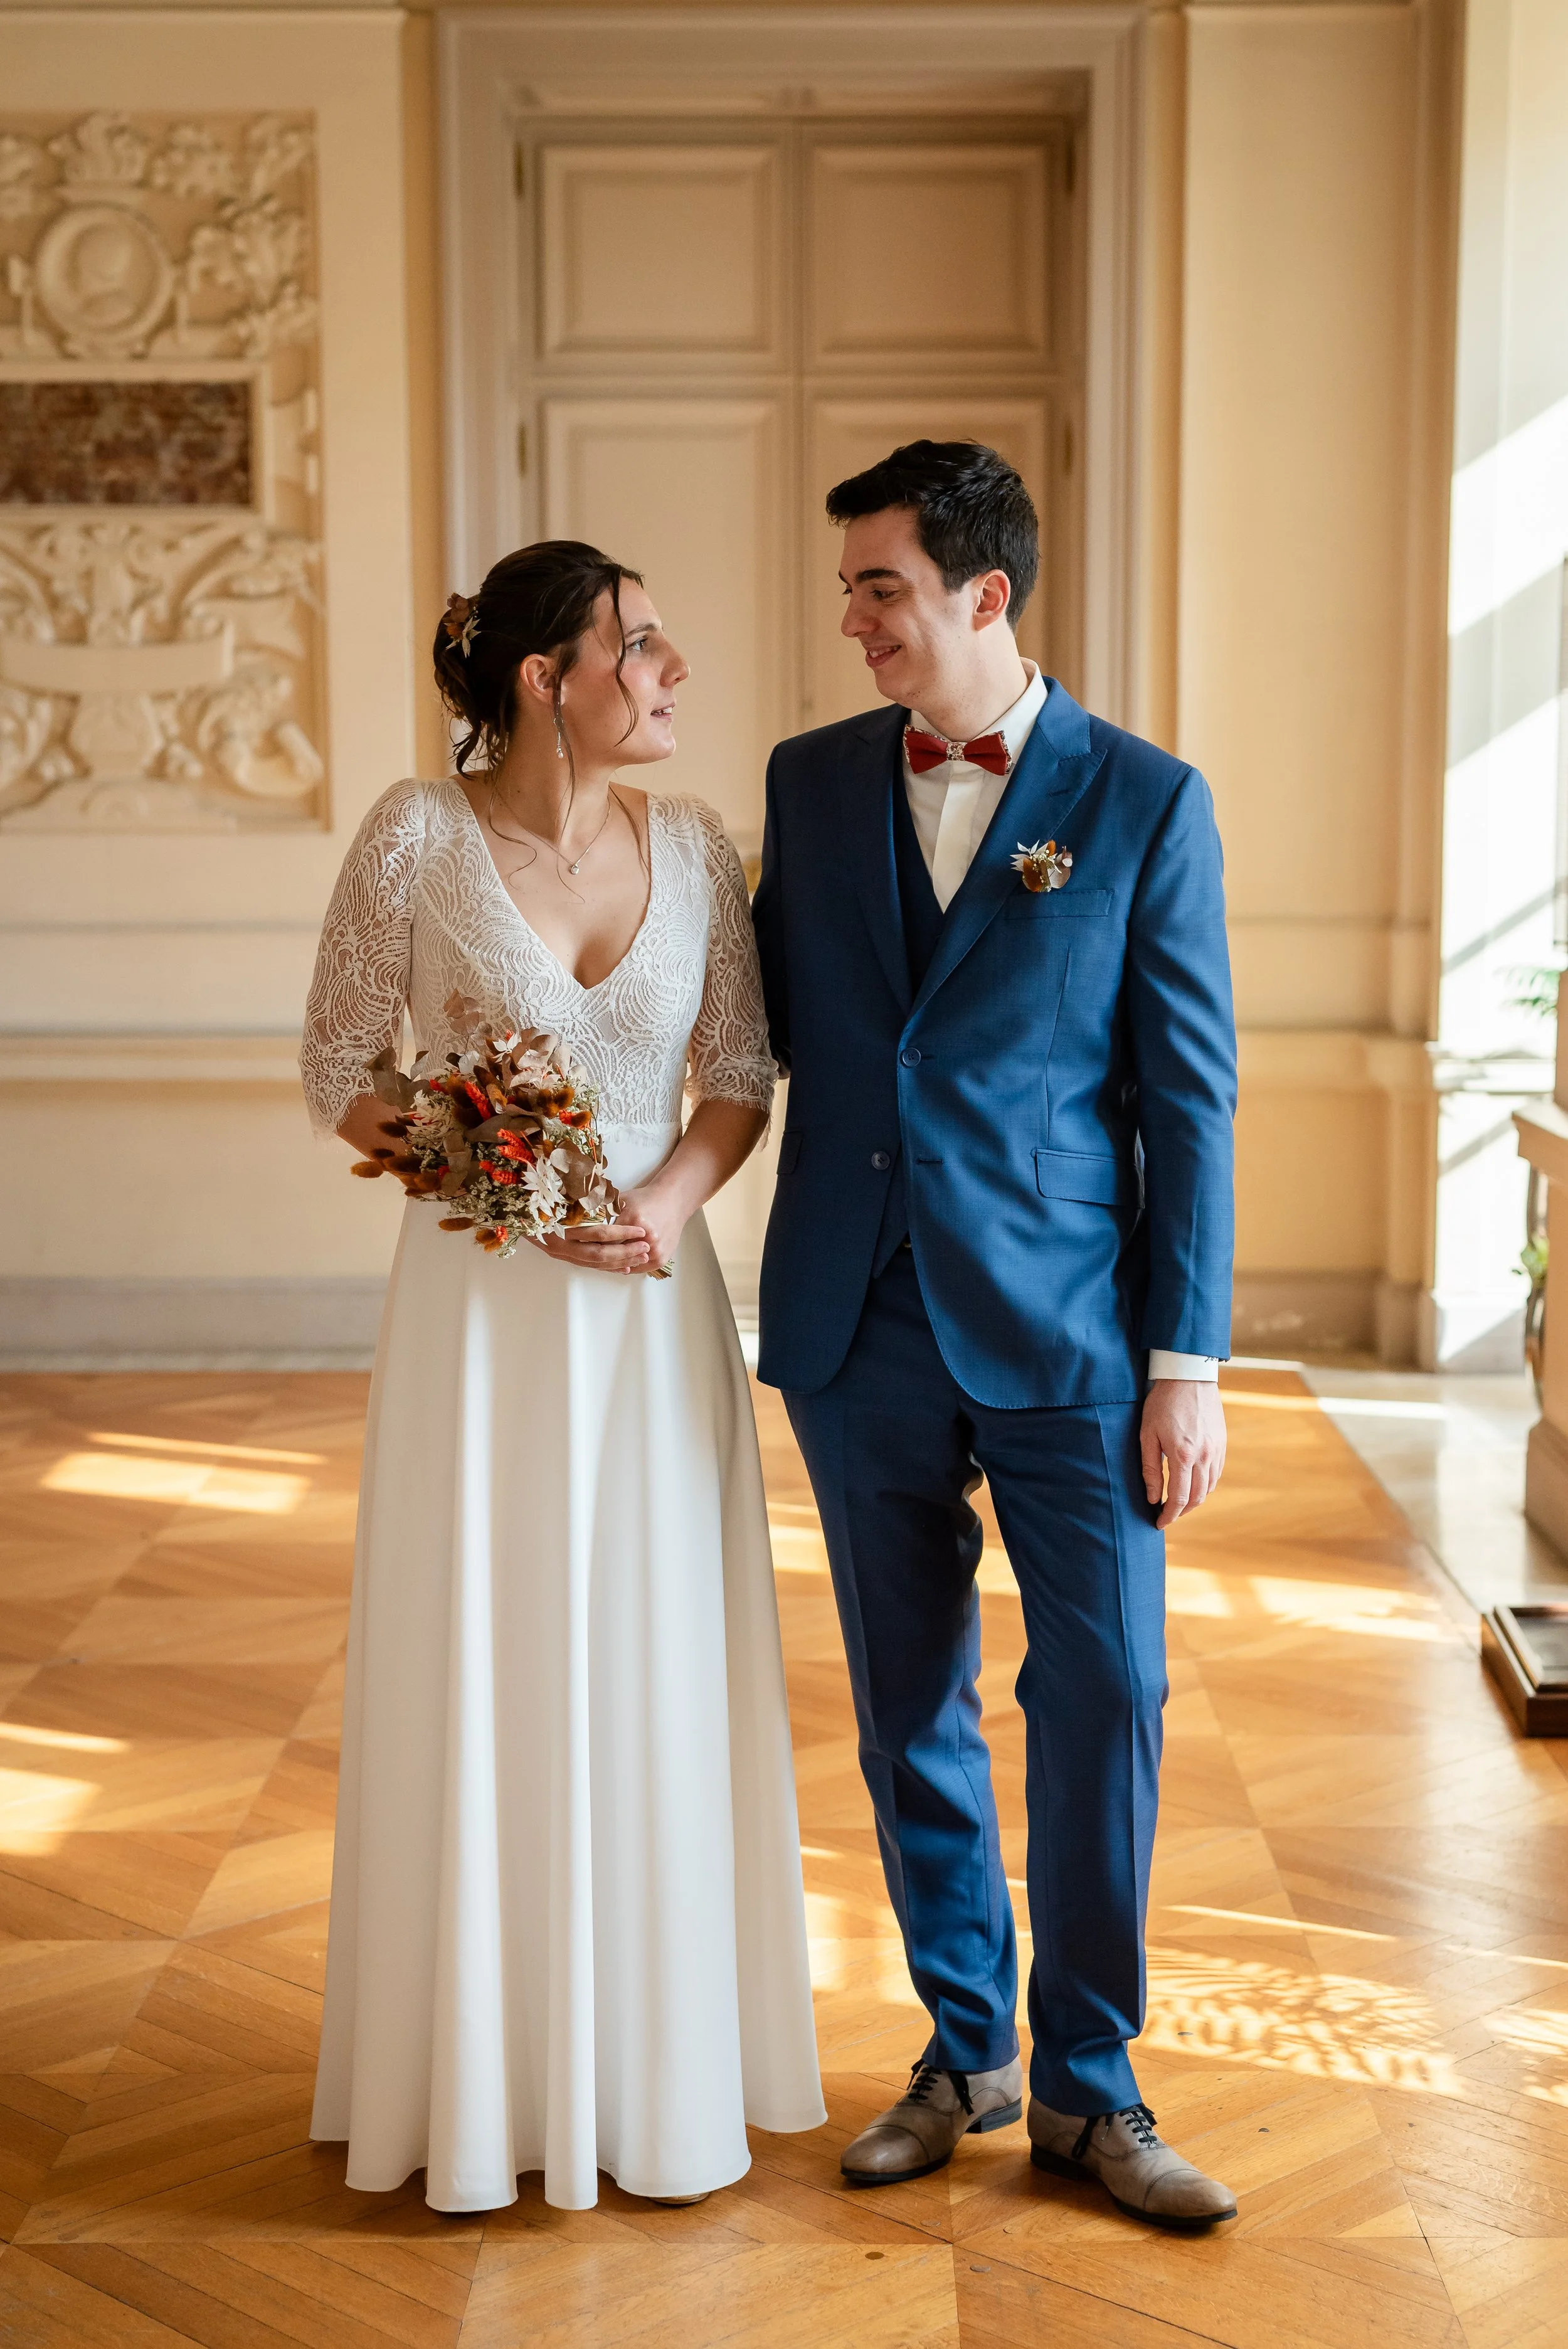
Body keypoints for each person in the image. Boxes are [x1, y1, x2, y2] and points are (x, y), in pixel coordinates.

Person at [300, 539, 824, 2214]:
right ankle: (481, 2074)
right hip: (483, 1317)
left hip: (655, 1315)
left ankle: (655, 2064)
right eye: (642, 647)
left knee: (650, 1649)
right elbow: (339, 1067)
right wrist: (504, 1183)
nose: (672, 674)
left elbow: (736, 1070)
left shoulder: (697, 847)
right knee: (491, 1646)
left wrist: (664, 1202)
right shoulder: (411, 836)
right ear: (547, 676)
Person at [752, 442, 1239, 2229]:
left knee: (1104, 1696)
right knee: (907, 1709)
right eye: (849, 591)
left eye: (879, 586)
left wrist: (1183, 1364)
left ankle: (1092, 2090)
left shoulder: (1140, 800)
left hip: (1075, 1331)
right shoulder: (807, 788)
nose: (854, 620)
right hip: (853, 1312)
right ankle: (964, 2049)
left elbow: (1189, 1106)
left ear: (982, 593)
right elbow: (747, 1029)